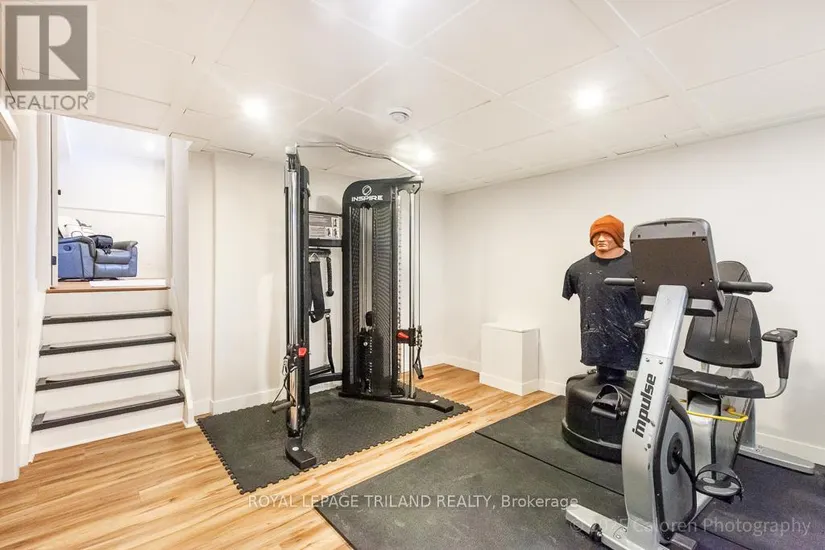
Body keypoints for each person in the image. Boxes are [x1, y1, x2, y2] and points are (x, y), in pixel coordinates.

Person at [562, 215, 644, 380]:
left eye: (607, 234)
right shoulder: (577, 269)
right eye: (596, 235)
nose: (600, 239)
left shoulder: (640, 267)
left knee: (621, 388)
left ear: (618, 237)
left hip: (628, 344)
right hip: (594, 342)